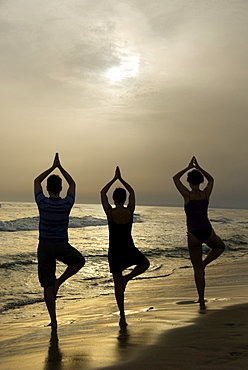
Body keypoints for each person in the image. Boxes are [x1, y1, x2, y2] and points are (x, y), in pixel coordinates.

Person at [34, 153, 85, 329]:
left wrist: (52, 167)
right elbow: (73, 184)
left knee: (47, 284)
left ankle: (54, 320)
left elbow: (36, 181)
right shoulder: (66, 204)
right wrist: (60, 168)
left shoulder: (42, 203)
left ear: (47, 188)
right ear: (61, 188)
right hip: (61, 244)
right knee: (79, 261)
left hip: (45, 246)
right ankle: (60, 281)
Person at [173, 156, 225, 309]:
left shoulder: (187, 195)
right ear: (200, 181)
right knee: (220, 247)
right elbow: (212, 179)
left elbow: (175, 178)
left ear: (189, 181)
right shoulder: (206, 194)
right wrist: (200, 168)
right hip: (207, 230)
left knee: (197, 268)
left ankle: (201, 299)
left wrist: (188, 167)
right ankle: (205, 264)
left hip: (193, 234)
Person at [101, 166, 150, 328]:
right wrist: (121, 180)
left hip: (115, 250)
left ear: (114, 199)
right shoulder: (129, 210)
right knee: (145, 263)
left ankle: (122, 313)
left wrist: (114, 179)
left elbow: (102, 193)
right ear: (124, 198)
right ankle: (127, 278)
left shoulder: (110, 213)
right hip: (128, 247)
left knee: (117, 283)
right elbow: (133, 193)